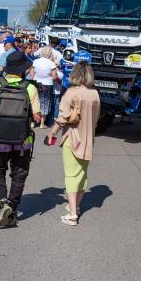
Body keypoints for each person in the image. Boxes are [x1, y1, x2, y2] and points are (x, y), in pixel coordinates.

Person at [0, 51, 42, 227]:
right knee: (19, 173)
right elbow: (37, 117)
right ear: (23, 69)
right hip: (23, 140)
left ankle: (3, 201)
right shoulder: (30, 88)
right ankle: (12, 209)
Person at [46, 61, 101, 226]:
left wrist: (52, 133)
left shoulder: (71, 93)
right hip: (88, 139)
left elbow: (62, 118)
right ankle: (75, 206)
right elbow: (97, 119)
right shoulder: (95, 94)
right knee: (82, 175)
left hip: (73, 137)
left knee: (70, 175)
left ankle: (72, 214)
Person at [32, 46, 60, 128]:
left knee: (36, 101)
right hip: (47, 84)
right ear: (49, 53)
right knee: (45, 102)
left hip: (36, 83)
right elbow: (54, 77)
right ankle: (42, 123)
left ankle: (33, 122)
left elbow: (32, 73)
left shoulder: (36, 61)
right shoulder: (51, 63)